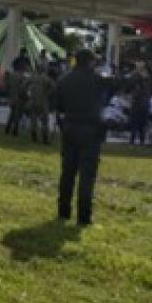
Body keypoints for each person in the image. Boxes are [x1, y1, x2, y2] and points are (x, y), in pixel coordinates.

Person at [54, 50, 107, 226]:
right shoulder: (97, 80)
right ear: (91, 62)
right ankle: (84, 217)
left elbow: (57, 103)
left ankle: (63, 211)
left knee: (67, 173)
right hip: (91, 130)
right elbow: (119, 85)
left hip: (70, 127)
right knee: (87, 176)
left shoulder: (64, 79)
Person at [27, 66, 54, 145]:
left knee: (33, 120)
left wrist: (29, 93)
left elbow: (24, 85)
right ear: (44, 70)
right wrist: (48, 93)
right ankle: (45, 139)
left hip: (33, 101)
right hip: (43, 101)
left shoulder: (32, 77)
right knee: (45, 121)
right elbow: (54, 87)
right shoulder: (47, 78)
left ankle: (34, 136)